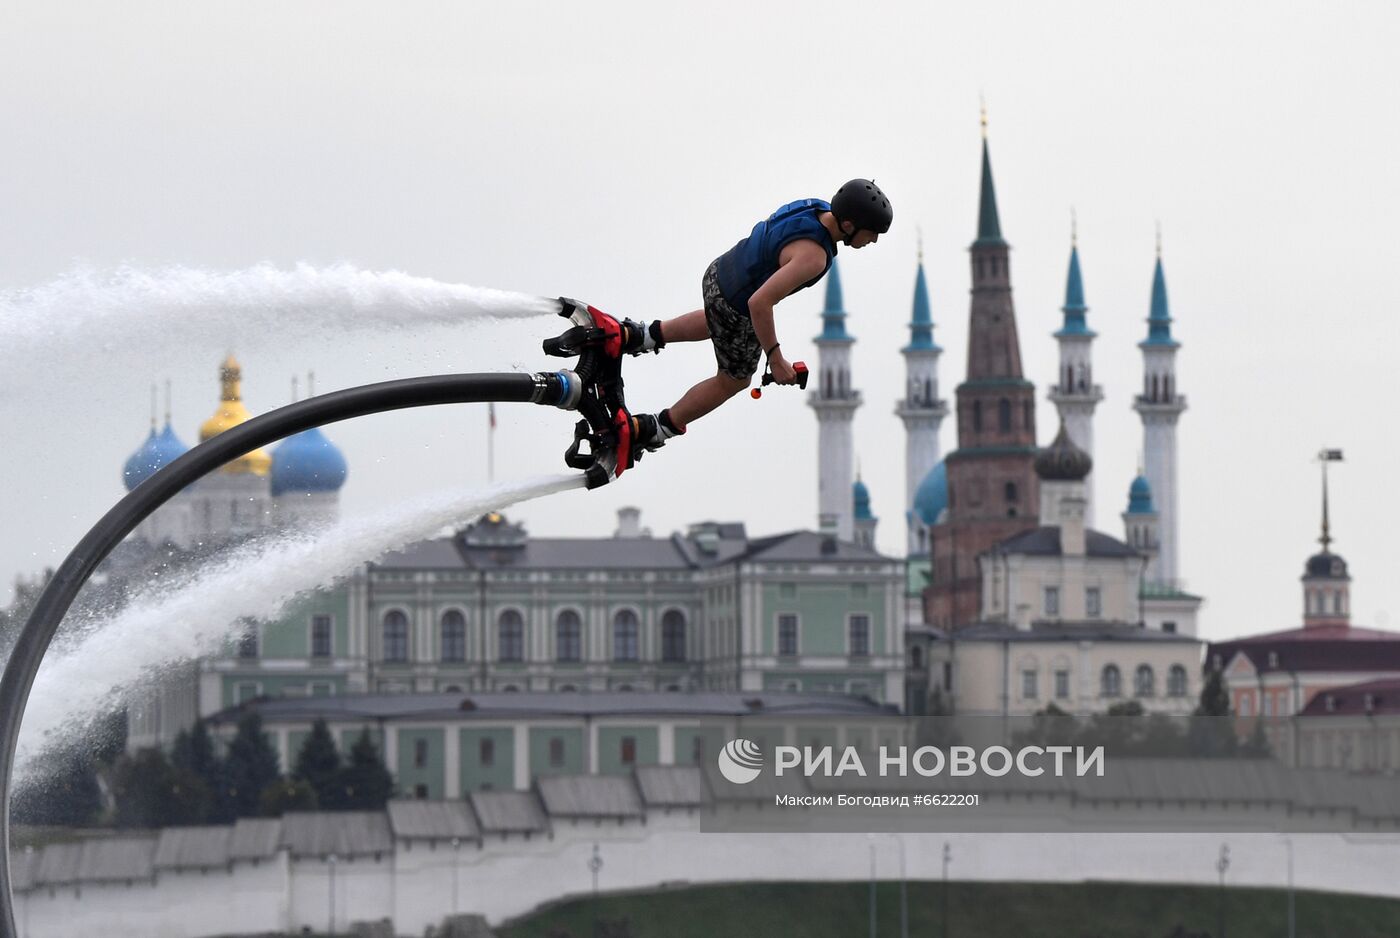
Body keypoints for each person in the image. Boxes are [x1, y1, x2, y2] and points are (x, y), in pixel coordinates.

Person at [619, 178, 892, 449]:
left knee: (720, 321)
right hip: (738, 304)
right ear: (849, 225)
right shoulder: (815, 257)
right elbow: (759, 303)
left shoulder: (815, 208)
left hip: (718, 273)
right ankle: (654, 428)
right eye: (873, 233)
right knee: (734, 380)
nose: (874, 240)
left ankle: (641, 335)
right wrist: (775, 358)